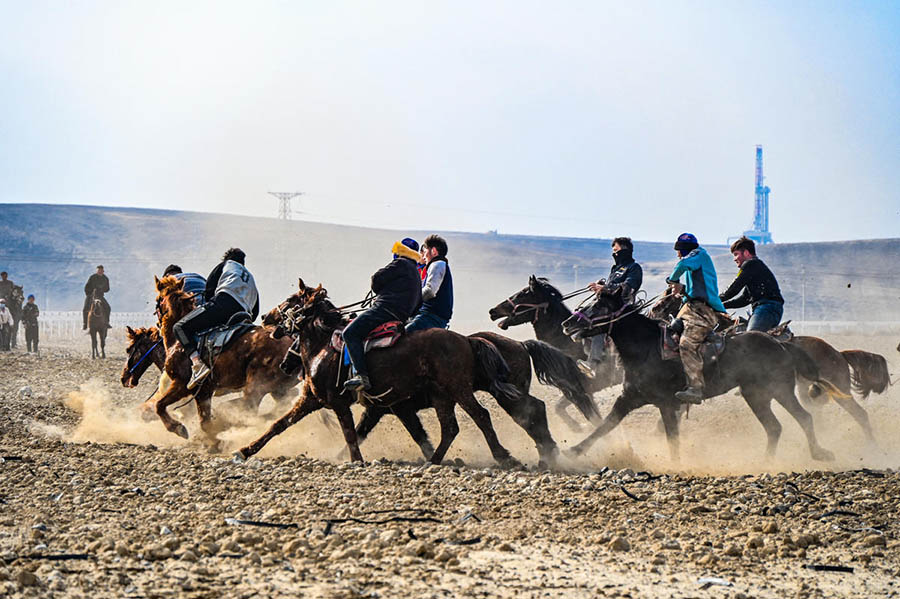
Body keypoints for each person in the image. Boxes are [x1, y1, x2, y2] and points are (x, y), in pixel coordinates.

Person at [173, 248, 260, 389]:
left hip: (223, 304)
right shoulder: (250, 277)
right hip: (243, 314)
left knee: (180, 327)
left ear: (227, 258)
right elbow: (255, 309)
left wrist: (207, 307)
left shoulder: (226, 265)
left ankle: (197, 364)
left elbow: (209, 287)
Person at [343, 238, 422, 392]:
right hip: (400, 317)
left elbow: (376, 279)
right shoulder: (416, 274)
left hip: (383, 310)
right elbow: (418, 305)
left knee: (350, 333)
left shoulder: (400, 263)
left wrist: (382, 291)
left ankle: (360, 375)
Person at [666, 233, 727, 405]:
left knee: (687, 344)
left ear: (684, 249)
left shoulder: (698, 255)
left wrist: (672, 280)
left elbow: (682, 264)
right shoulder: (697, 261)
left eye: (679, 250)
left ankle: (696, 387)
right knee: (666, 334)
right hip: (689, 308)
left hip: (703, 311)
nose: (678, 254)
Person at [579, 237, 644, 376]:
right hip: (607, 306)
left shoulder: (634, 268)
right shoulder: (615, 268)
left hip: (622, 309)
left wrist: (604, 288)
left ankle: (593, 364)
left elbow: (627, 288)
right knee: (580, 316)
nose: (614, 254)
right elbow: (610, 287)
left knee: (599, 325)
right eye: (613, 251)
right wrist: (601, 286)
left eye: (616, 250)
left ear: (625, 250)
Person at [719, 236, 784, 332]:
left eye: (736, 254)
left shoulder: (750, 264)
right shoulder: (755, 268)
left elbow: (734, 289)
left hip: (766, 308)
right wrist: (722, 306)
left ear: (746, 253)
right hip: (770, 309)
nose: (734, 259)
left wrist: (714, 301)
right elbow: (745, 299)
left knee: (751, 339)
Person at [406, 234, 453, 333]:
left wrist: (409, 301)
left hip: (431, 316)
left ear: (434, 251)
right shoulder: (436, 266)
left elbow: (429, 291)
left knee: (402, 336)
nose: (423, 255)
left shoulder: (437, 264)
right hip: (430, 315)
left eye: (425, 250)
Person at [82, 265, 111, 330]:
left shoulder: (105, 278)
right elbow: (87, 287)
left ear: (103, 271)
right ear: (97, 271)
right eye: (98, 270)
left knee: (108, 308)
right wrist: (89, 294)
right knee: (86, 308)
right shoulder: (92, 277)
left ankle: (107, 322)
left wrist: (102, 289)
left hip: (100, 296)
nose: (100, 272)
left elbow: (107, 289)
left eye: (101, 270)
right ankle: (85, 324)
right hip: (91, 295)